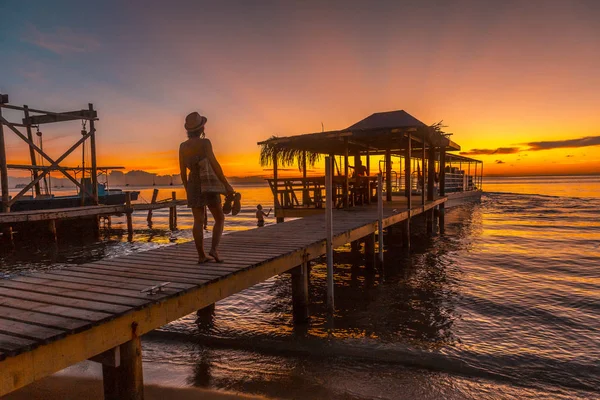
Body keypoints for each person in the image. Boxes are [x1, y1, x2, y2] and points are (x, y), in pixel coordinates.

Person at [179, 112, 234, 263]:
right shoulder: (205, 143)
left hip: (192, 184)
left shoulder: (183, 147)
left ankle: (201, 256)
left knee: (198, 220)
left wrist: (187, 189)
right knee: (220, 218)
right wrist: (225, 184)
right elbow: (215, 164)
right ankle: (214, 250)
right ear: (201, 128)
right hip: (208, 182)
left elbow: (182, 172)